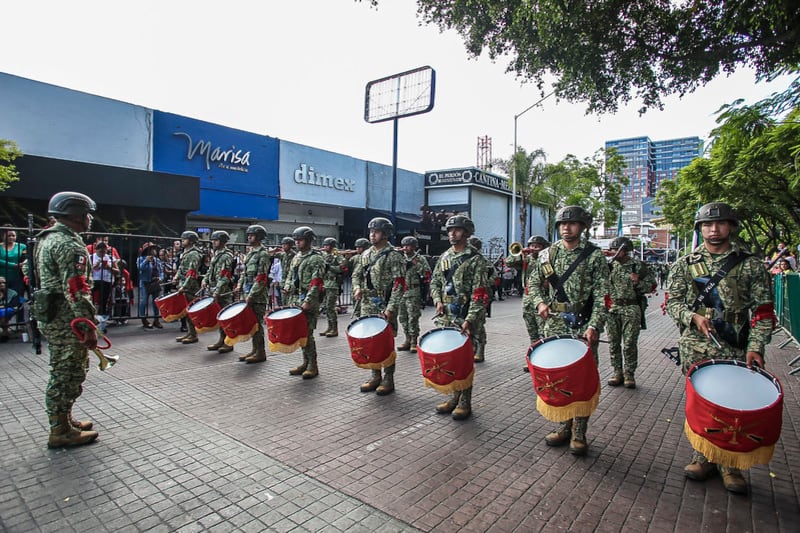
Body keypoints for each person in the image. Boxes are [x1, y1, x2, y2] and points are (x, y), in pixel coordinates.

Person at [666, 202, 774, 494]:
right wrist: (692, 317)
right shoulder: (686, 263)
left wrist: (756, 347)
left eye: (720, 224)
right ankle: (703, 457)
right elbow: (672, 302)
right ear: (700, 229)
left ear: (731, 227)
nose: (714, 230)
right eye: (707, 225)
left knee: (733, 404)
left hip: (736, 344)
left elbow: (763, 312)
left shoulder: (750, 264)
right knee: (703, 404)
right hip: (697, 346)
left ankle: (731, 466)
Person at [527, 205, 610, 455]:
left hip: (583, 325)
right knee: (558, 377)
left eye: (572, 223)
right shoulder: (547, 254)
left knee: (581, 380)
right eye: (562, 224)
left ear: (583, 227)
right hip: (554, 323)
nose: (566, 227)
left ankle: (579, 432)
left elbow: (602, 296)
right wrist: (540, 302)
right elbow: (533, 283)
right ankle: (563, 425)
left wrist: (595, 325)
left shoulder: (594, 256)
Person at [33, 191, 99, 448]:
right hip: (67, 320)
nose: (90, 219)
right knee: (67, 373)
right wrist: (88, 326)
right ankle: (59, 430)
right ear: (74, 214)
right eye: (86, 214)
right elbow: (76, 289)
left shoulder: (47, 238)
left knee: (65, 370)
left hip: (53, 316)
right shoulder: (69, 244)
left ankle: (65, 419)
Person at [429, 215, 489, 419]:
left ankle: (465, 402)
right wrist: (437, 300)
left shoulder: (475, 259)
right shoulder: (444, 257)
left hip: (464, 317)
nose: (452, 233)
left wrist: (470, 319)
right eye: (450, 230)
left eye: (457, 230)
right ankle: (454, 396)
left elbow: (480, 293)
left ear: (467, 233)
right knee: (450, 360)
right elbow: (435, 282)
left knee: (464, 361)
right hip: (445, 316)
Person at [351, 217, 406, 395]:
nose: (372, 235)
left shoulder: (394, 256)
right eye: (371, 231)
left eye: (377, 232)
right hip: (367, 304)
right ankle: (375, 375)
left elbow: (399, 284)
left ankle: (388, 378)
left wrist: (391, 307)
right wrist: (357, 288)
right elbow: (356, 275)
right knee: (370, 341)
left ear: (386, 234)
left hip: (385, 303)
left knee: (386, 342)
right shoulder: (365, 255)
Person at [606, 236, 656, 389]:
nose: (613, 252)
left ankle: (629, 373)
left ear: (625, 250)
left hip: (631, 308)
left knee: (629, 343)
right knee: (613, 343)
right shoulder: (609, 265)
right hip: (613, 308)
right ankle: (617, 372)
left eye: (617, 249)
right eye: (612, 249)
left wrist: (638, 282)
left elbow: (651, 285)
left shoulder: (637, 266)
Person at [283, 226, 325, 378]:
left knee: (307, 333)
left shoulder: (316, 258)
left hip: (308, 300)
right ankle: (305, 362)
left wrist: (308, 301)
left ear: (308, 240)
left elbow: (316, 282)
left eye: (299, 240)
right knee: (300, 333)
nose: (297, 243)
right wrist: (287, 286)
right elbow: (290, 274)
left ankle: (313, 365)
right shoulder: (297, 257)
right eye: (295, 240)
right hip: (295, 298)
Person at [234, 225, 273, 363]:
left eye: (252, 235)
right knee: (251, 324)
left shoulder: (262, 254)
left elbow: (261, 278)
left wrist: (251, 295)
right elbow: (245, 273)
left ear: (259, 237)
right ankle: (254, 349)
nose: (249, 237)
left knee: (257, 324)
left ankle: (260, 352)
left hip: (257, 296)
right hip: (248, 293)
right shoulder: (251, 253)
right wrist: (239, 286)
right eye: (248, 234)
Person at [397, 236, 432, 353]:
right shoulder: (399, 258)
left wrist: (416, 264)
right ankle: (407, 338)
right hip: (401, 291)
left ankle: (413, 341)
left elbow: (427, 274)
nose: (405, 248)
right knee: (402, 317)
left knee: (413, 317)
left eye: (408, 246)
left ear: (413, 247)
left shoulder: (419, 259)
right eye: (404, 246)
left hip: (414, 291)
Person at [203, 231, 236, 354]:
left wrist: (217, 292)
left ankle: (229, 342)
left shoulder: (227, 255)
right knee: (220, 318)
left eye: (215, 240)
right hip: (215, 289)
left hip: (223, 292)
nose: (213, 242)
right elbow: (210, 270)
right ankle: (221, 340)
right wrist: (205, 280)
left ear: (222, 241)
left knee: (226, 318)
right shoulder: (216, 254)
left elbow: (225, 276)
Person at [518, 235, 551, 345]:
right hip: (528, 297)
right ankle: (534, 349)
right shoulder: (527, 258)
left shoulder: (546, 260)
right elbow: (509, 262)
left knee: (543, 328)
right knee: (531, 327)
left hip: (542, 297)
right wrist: (521, 253)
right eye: (532, 245)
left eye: (537, 246)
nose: (534, 248)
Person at [173, 231, 202, 344]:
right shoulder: (186, 252)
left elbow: (192, 272)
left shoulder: (193, 254)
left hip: (190, 287)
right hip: (183, 284)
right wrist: (176, 277)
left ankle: (193, 334)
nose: (182, 241)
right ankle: (190, 333)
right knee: (186, 311)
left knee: (191, 310)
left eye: (184, 239)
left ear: (191, 240)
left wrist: (184, 286)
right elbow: (181, 268)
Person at [319, 237, 347, 338]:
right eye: (324, 245)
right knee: (326, 306)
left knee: (331, 307)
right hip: (325, 283)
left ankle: (334, 328)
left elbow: (342, 268)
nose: (325, 247)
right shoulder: (325, 255)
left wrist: (330, 267)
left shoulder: (337, 256)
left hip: (333, 284)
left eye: (327, 245)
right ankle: (329, 327)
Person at [137, 242, 163, 329]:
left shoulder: (157, 260)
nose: (154, 251)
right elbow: (140, 268)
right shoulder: (141, 258)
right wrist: (146, 261)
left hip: (155, 282)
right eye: (152, 249)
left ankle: (156, 319)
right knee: (144, 301)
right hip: (145, 282)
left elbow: (161, 271)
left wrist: (161, 278)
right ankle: (143, 319)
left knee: (155, 302)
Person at [89, 242, 118, 318]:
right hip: (94, 280)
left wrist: (109, 267)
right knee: (90, 297)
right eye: (101, 252)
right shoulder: (91, 257)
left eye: (105, 251)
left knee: (104, 300)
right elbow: (86, 270)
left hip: (106, 280)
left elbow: (117, 271)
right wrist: (95, 266)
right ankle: (91, 314)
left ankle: (102, 316)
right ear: (96, 250)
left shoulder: (110, 258)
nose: (103, 253)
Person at [1, 224, 27, 299]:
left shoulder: (22, 246)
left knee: (18, 299)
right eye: (9, 236)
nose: (11, 237)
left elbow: (27, 258)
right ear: (3, 236)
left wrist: (24, 263)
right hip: (2, 280)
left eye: (13, 235)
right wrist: (14, 265)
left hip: (17, 279)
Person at [0, 276, 21, 341]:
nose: (2, 284)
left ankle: (5, 333)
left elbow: (13, 304)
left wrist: (2, 306)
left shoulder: (13, 293)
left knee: (4, 312)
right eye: (0, 283)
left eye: (4, 283)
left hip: (9, 309)